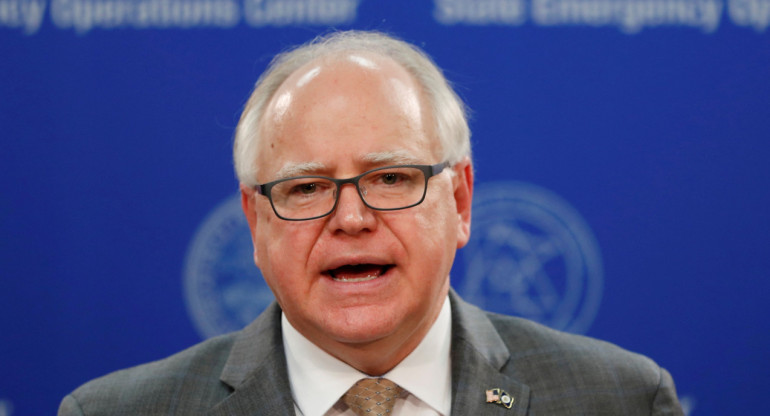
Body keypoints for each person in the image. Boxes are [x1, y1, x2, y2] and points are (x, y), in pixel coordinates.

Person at [59, 30, 684, 415]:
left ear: (461, 202)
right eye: (306, 188)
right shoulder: (118, 412)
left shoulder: (621, 399)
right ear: (254, 222)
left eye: (391, 178)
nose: (351, 219)